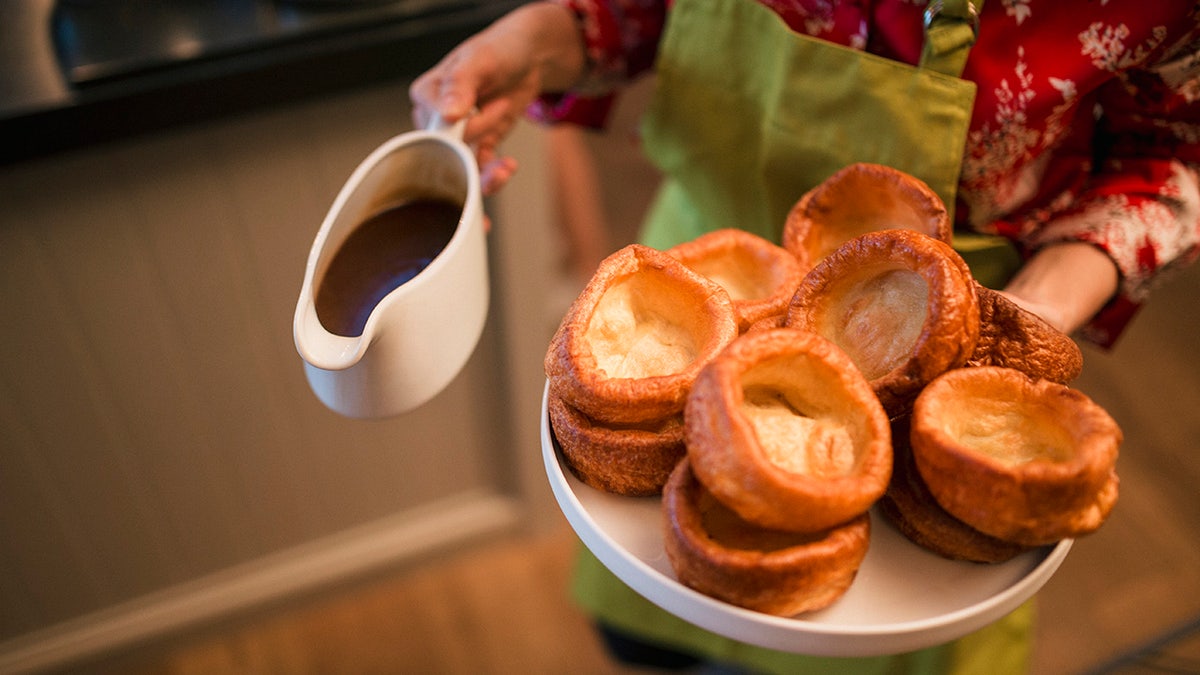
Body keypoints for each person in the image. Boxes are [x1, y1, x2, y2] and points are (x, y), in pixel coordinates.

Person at [411, 1, 1200, 673]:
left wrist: (1017, 324)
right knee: (645, 638)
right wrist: (542, 39)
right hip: (686, 304)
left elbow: (1170, 151)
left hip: (952, 350)